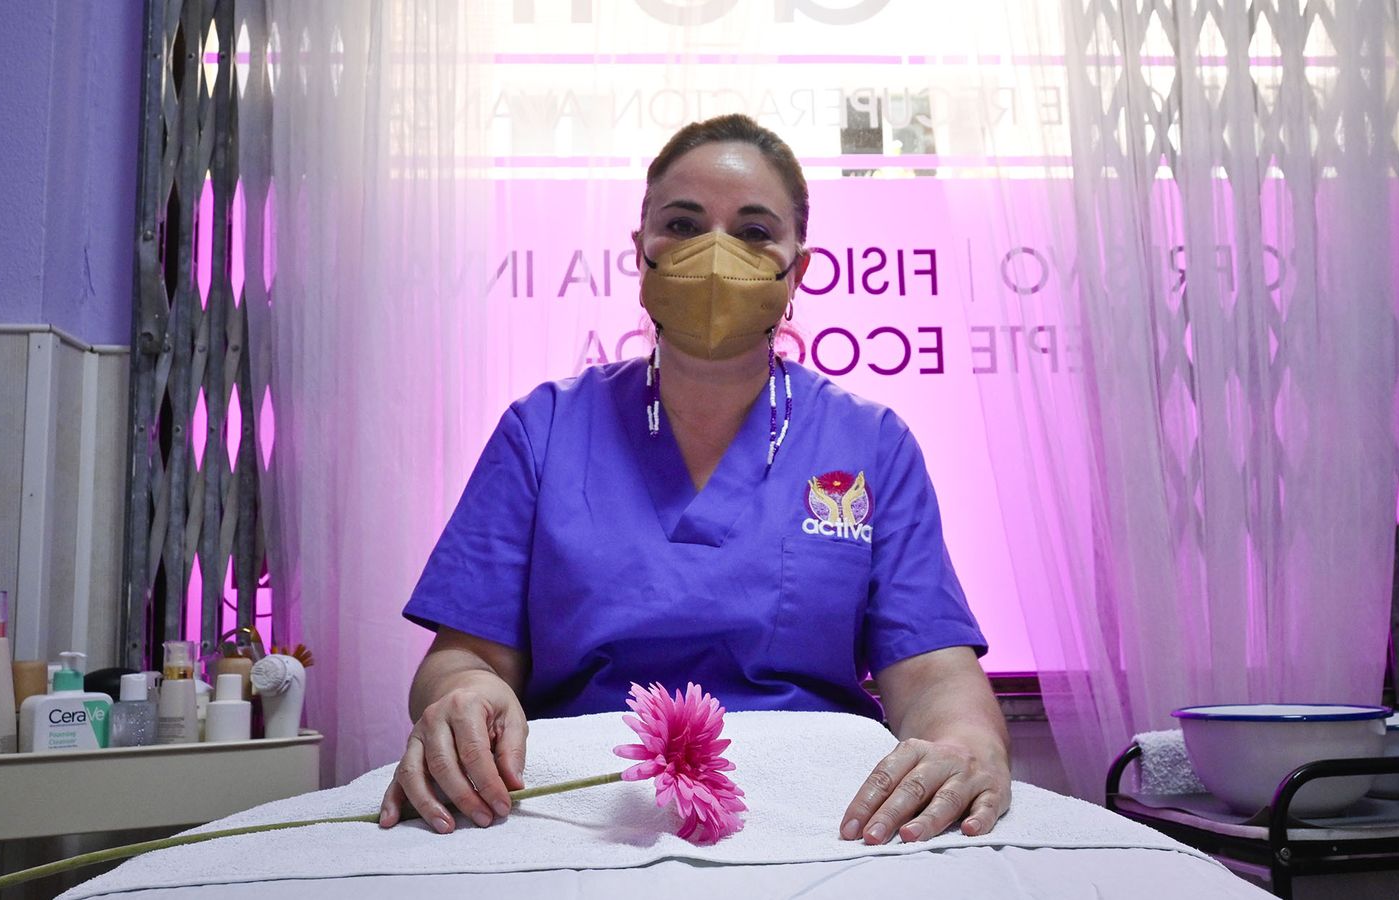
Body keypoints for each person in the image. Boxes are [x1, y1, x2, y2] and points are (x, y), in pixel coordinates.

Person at [381, 114, 1011, 847]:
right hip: (575, 804)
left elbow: (933, 673)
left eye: (753, 232)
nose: (716, 254)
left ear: (797, 267)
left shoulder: (869, 442)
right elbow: (468, 655)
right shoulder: (545, 428)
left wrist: (966, 741)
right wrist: (465, 699)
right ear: (641, 252)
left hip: (819, 804)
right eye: (682, 224)